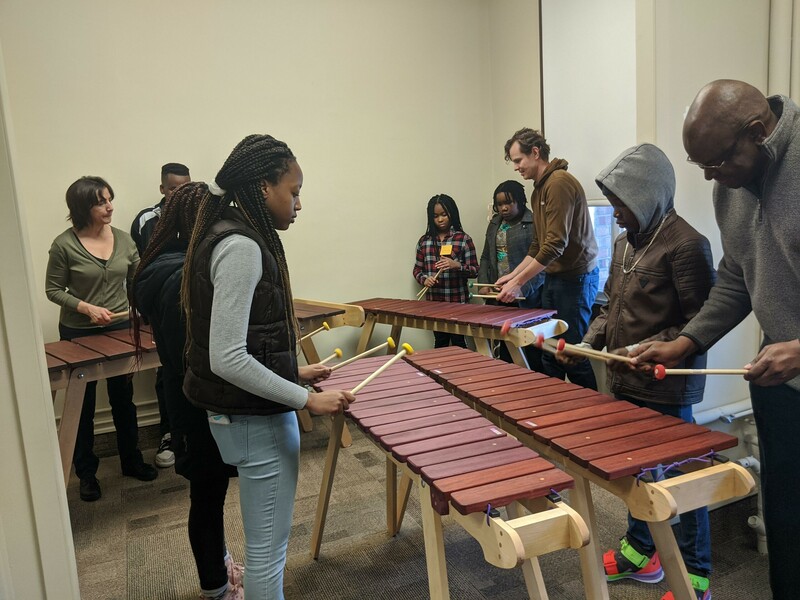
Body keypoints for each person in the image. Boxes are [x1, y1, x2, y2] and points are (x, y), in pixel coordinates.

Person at [630, 80, 800, 600]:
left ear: (757, 132)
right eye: (698, 165)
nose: (709, 178)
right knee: (787, 523)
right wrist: (686, 341)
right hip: (780, 385)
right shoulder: (730, 186)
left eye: (717, 163)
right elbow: (735, 278)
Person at [180, 134, 354, 599]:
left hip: (238, 415)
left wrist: (293, 372)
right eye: (293, 191)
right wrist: (308, 400)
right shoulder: (241, 247)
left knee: (264, 549)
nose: (298, 203)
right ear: (262, 187)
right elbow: (228, 357)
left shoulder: (226, 235)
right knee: (267, 555)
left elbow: (238, 343)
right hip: (256, 423)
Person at [559, 144, 716, 600]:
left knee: (682, 480)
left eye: (622, 202)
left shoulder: (688, 245)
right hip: (626, 379)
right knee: (637, 472)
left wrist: (643, 346)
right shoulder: (625, 243)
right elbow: (610, 305)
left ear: (648, 195)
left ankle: (695, 575)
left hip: (668, 386)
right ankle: (641, 551)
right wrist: (589, 344)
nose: (616, 211)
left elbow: (700, 322)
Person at [131, 187, 243, 600]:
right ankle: (216, 587)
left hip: (189, 401)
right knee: (208, 497)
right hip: (200, 406)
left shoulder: (163, 265)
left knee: (209, 495)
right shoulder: (181, 277)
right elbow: (200, 357)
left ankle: (221, 564)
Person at [45, 176, 157, 502]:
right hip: (79, 331)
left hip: (121, 329)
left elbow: (138, 281)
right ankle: (86, 474)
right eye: (101, 202)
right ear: (82, 208)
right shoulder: (64, 245)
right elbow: (53, 290)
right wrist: (85, 308)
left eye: (110, 199)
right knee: (84, 404)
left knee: (124, 397)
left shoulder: (123, 240)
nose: (110, 207)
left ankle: (131, 460)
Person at [496, 128, 600, 389]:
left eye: (518, 160)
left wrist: (519, 282)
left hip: (576, 278)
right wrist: (512, 275)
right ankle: (556, 414)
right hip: (555, 277)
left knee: (571, 354)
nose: (517, 167)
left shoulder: (559, 183)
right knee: (550, 354)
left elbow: (555, 244)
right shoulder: (538, 189)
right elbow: (538, 244)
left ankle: (593, 416)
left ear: (535, 152)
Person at [130, 162, 192, 469]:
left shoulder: (198, 213)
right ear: (162, 189)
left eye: (184, 187)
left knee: (197, 367)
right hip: (163, 304)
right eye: (172, 188)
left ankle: (198, 436)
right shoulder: (147, 219)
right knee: (168, 369)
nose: (178, 193)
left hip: (194, 304)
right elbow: (149, 263)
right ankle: (171, 433)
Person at [477, 180, 545, 370]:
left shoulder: (533, 223)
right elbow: (485, 257)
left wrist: (522, 288)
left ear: (520, 201)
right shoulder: (494, 224)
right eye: (499, 204)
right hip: (499, 294)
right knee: (505, 350)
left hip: (526, 296)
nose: (504, 208)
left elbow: (542, 262)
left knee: (529, 351)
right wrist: (484, 283)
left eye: (509, 203)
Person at [412, 194, 479, 348]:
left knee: (458, 343)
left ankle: (462, 372)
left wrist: (457, 265)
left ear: (452, 214)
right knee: (440, 342)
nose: (440, 219)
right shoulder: (424, 241)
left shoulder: (463, 239)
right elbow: (417, 269)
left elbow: (475, 270)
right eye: (435, 216)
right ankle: (438, 371)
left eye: (444, 214)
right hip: (434, 304)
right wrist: (424, 279)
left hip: (458, 303)